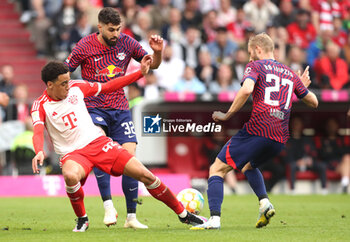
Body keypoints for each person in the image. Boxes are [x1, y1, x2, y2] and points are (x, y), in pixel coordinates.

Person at [31, 60, 206, 232]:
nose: (68, 86)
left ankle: (184, 215)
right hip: (73, 154)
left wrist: (139, 74)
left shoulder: (77, 87)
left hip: (98, 143)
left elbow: (109, 86)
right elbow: (37, 131)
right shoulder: (40, 105)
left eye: (68, 81)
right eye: (63, 83)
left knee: (145, 175)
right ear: (50, 85)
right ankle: (82, 219)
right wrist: (39, 151)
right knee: (70, 175)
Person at [192, 33, 318, 230]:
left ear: (259, 49)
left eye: (251, 53)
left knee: (216, 169)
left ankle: (214, 220)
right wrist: (300, 85)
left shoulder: (255, 66)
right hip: (280, 137)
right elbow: (314, 102)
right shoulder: (290, 73)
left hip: (258, 128)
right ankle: (264, 203)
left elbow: (245, 90)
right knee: (249, 166)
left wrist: (227, 115)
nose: (250, 58)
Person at [65, 7, 163, 228]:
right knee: (103, 151)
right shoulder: (84, 45)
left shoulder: (126, 42)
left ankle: (131, 217)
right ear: (99, 26)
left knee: (130, 159)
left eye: (118, 29)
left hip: (120, 108)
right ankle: (108, 206)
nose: (115, 34)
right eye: (111, 30)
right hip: (94, 108)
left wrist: (157, 53)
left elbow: (151, 66)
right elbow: (65, 69)